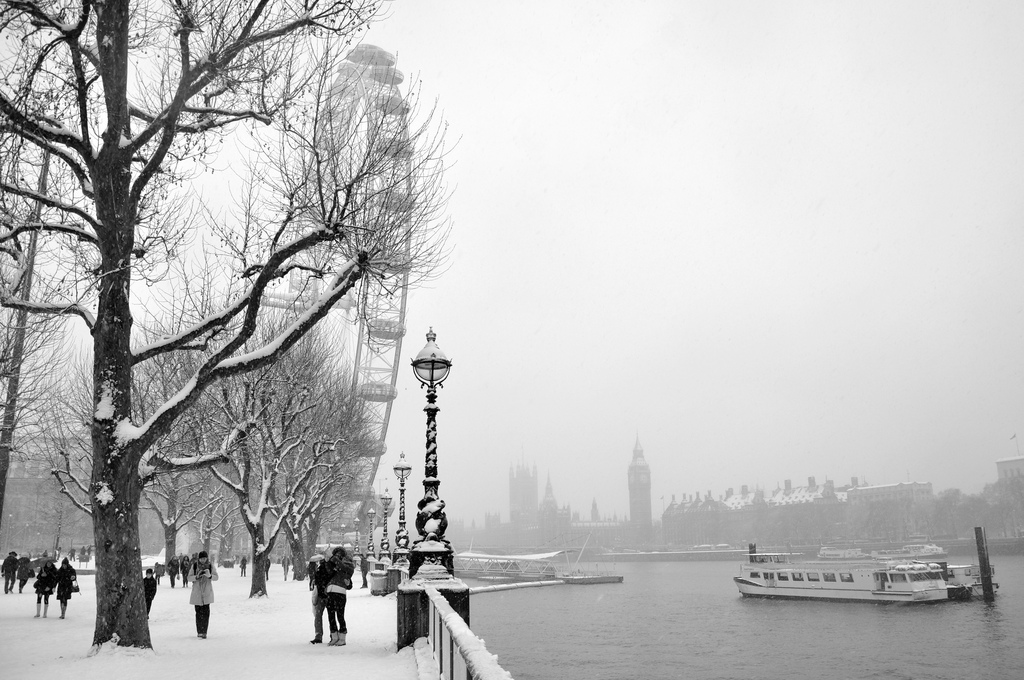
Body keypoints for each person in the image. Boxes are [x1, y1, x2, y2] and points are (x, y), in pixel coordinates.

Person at [321, 546, 355, 646]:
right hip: (330, 592)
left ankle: (342, 637)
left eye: (340, 555)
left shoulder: (347, 567)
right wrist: (328, 562)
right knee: (331, 616)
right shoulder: (335, 566)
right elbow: (328, 573)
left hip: (340, 592)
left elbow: (348, 580)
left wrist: (334, 559)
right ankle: (334, 637)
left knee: (340, 616)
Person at [188, 550, 218, 638]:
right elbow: (189, 578)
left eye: (204, 558)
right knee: (198, 614)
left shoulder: (210, 566)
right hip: (197, 593)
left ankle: (204, 631)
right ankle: (199, 631)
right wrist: (196, 577)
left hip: (207, 593)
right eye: (201, 559)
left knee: (206, 614)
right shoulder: (194, 566)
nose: (203, 560)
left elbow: (216, 577)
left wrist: (210, 576)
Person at [307, 554, 327, 644]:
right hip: (329, 594)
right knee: (331, 616)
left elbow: (317, 582)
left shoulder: (320, 570)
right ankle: (333, 634)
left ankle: (318, 635)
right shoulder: (330, 569)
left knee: (318, 616)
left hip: (321, 595)